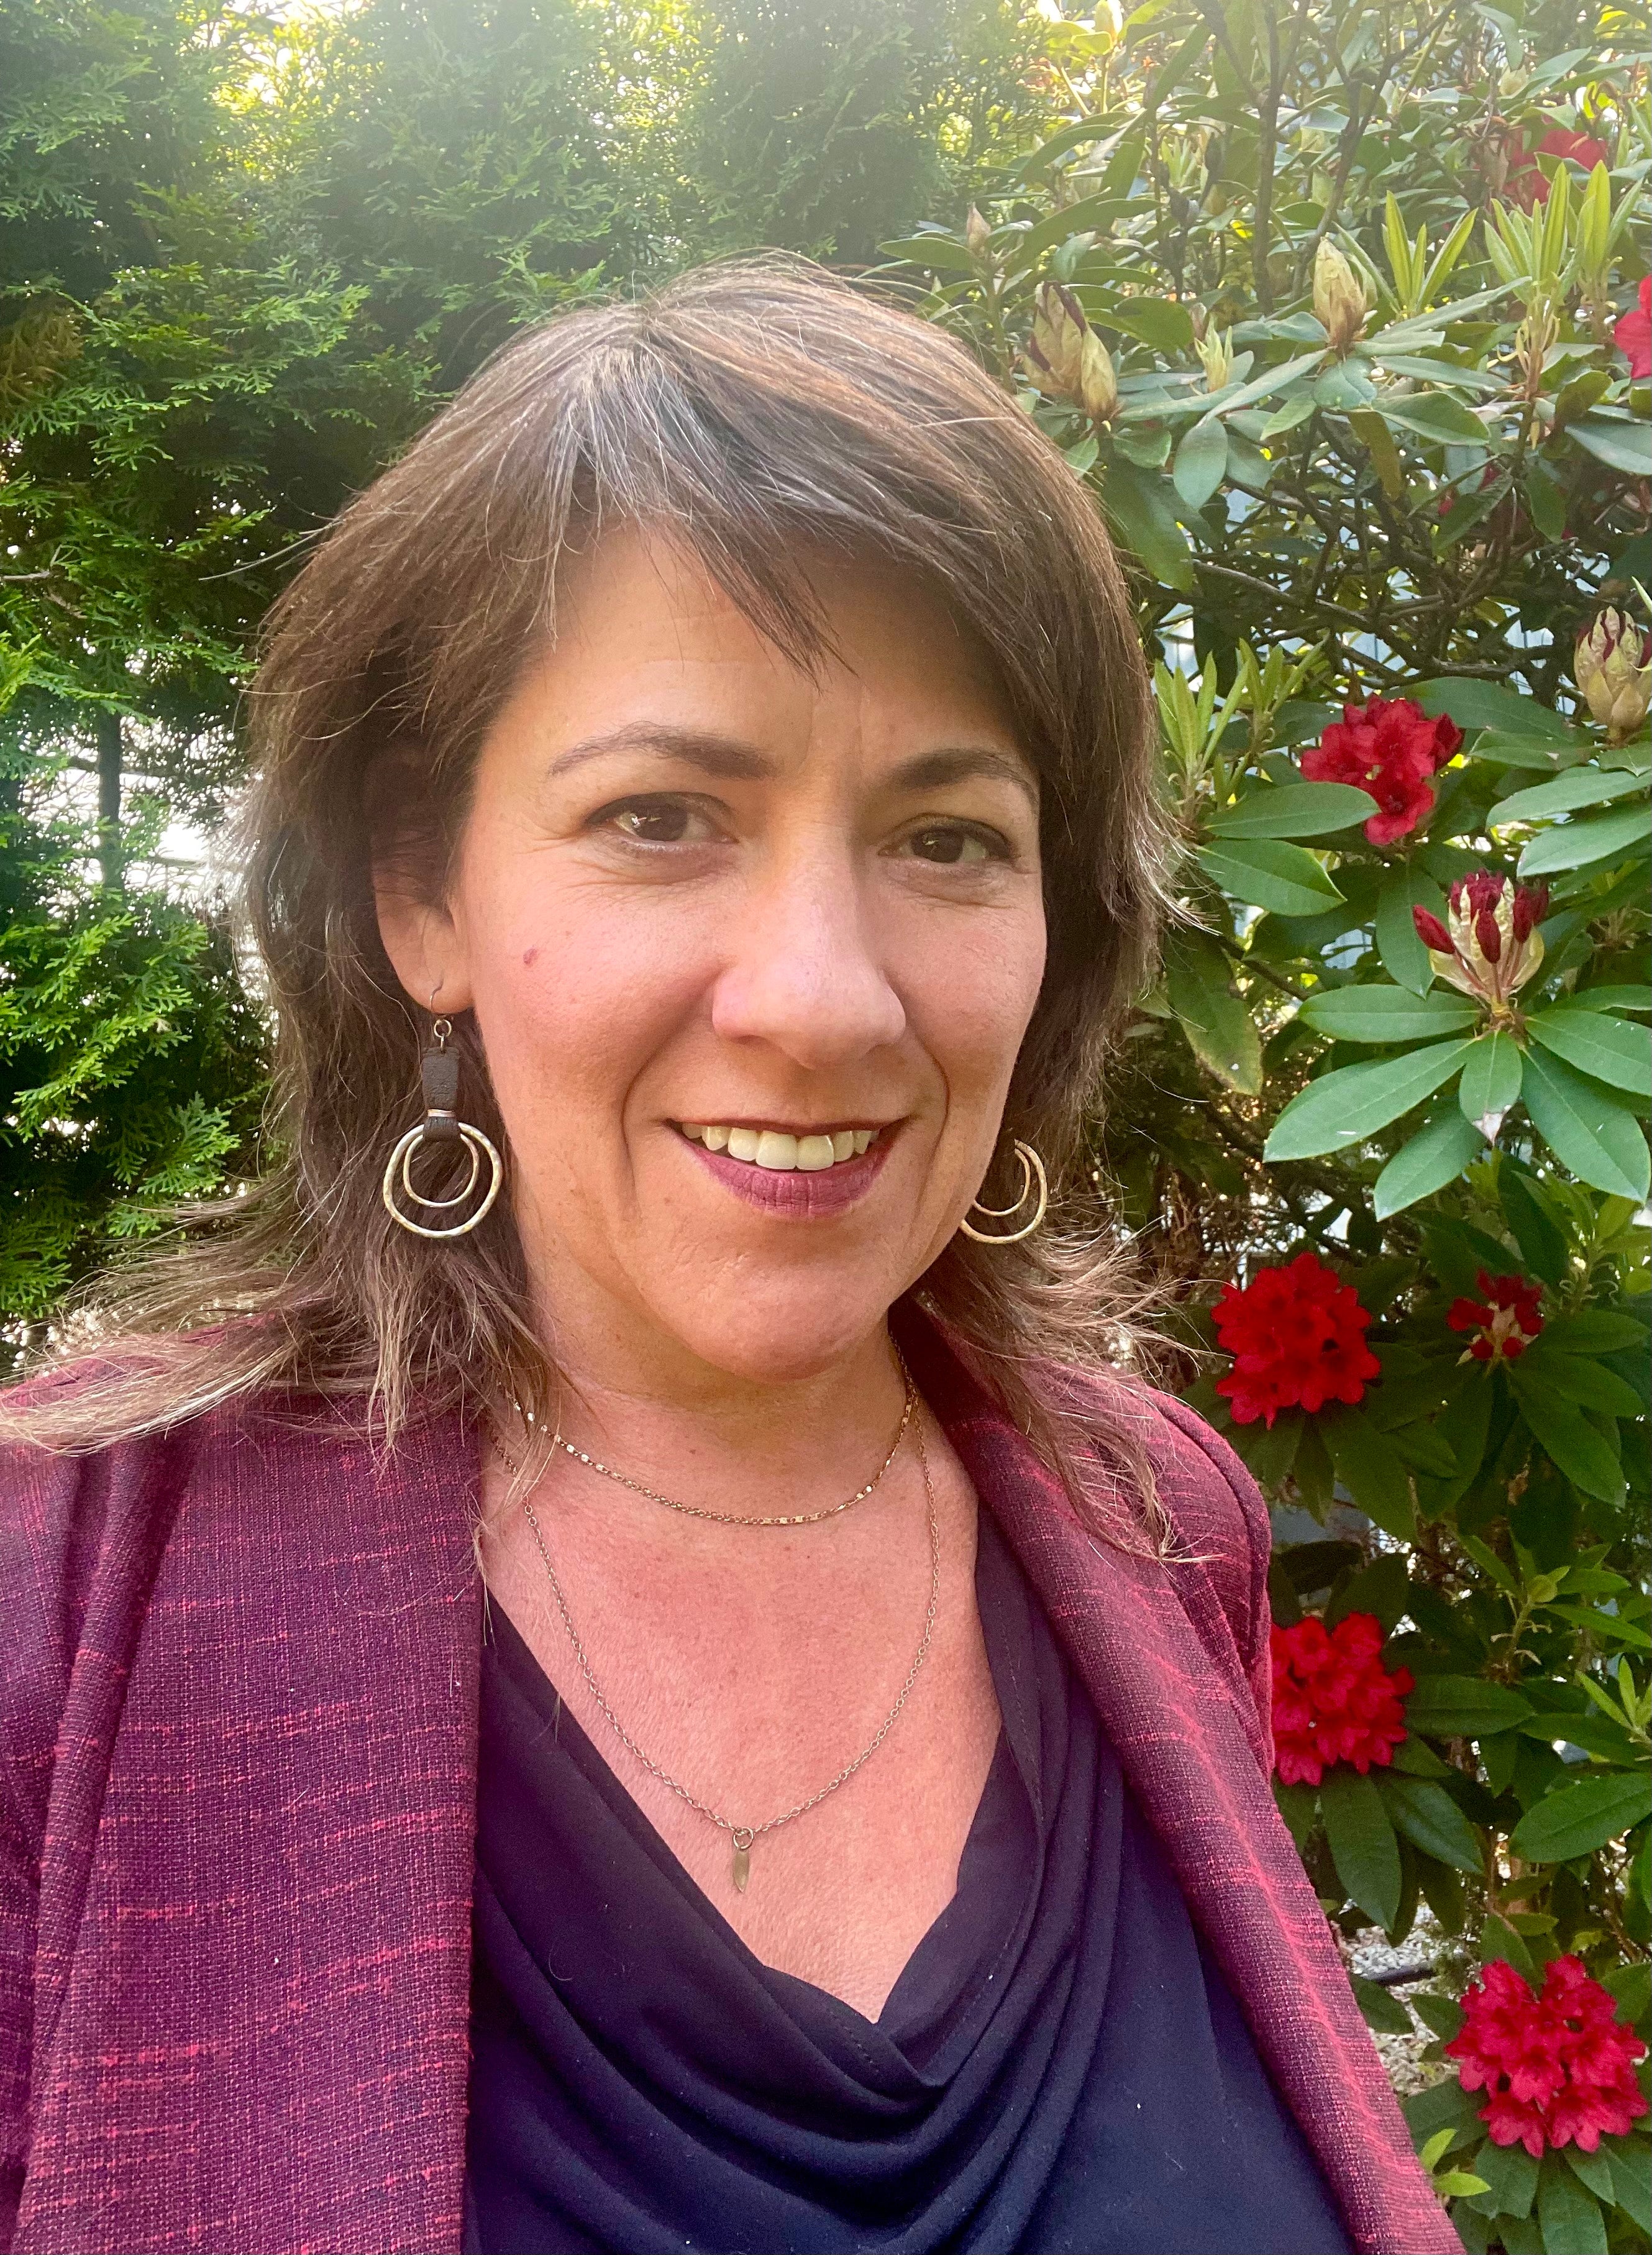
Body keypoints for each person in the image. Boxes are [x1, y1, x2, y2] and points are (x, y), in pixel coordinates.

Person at [0, 258, 1455, 2255]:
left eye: (947, 838)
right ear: (423, 891)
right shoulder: (58, 1588)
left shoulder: (1151, 1519)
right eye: (664, 813)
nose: (823, 999)